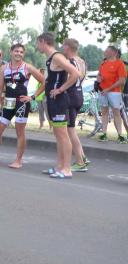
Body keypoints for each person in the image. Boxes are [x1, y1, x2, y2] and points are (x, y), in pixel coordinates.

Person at [0, 43, 44, 169]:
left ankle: (18, 161)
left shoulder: (27, 67)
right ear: (11, 52)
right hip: (8, 103)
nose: (18, 53)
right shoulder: (4, 68)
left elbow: (43, 82)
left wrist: (32, 97)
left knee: (19, 132)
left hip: (22, 103)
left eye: (21, 52)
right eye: (16, 51)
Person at [35, 32, 80, 178]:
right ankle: (60, 166)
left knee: (63, 135)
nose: (37, 46)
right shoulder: (50, 58)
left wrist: (60, 89)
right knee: (58, 135)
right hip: (53, 101)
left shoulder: (57, 57)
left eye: (37, 43)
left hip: (60, 101)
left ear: (43, 42)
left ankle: (67, 169)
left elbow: (75, 74)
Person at [62, 39, 90, 171]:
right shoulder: (82, 61)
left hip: (70, 96)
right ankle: (82, 157)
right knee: (71, 129)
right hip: (79, 94)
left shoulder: (69, 61)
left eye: (63, 45)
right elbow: (82, 77)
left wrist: (61, 88)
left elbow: (71, 77)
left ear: (67, 47)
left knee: (70, 130)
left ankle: (80, 162)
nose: (62, 48)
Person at [96, 45, 127, 143]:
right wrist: (98, 79)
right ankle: (104, 134)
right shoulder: (103, 63)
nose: (104, 52)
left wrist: (108, 89)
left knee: (116, 113)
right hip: (102, 91)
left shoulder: (119, 63)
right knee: (104, 112)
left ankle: (120, 136)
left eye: (107, 51)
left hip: (114, 92)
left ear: (114, 53)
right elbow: (99, 75)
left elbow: (122, 80)